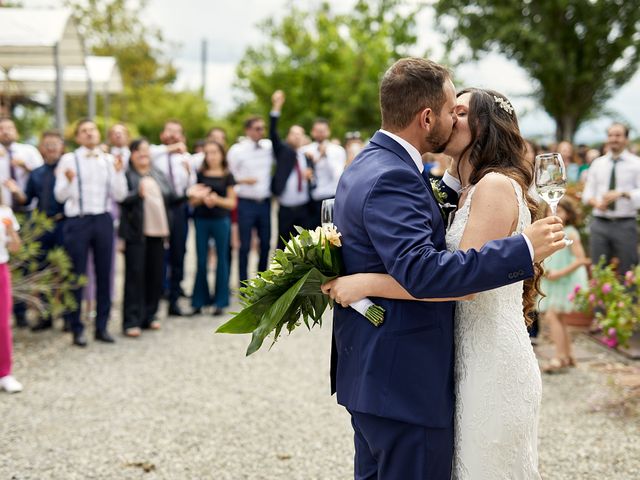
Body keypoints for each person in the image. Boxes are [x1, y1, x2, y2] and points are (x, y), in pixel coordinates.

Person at [320, 58, 565, 480]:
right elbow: (427, 270)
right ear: (427, 116)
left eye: (463, 112)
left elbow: (433, 261)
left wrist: (362, 281)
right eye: (454, 108)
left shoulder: (372, 165)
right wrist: (522, 249)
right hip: (404, 381)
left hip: (431, 367)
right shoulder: (397, 176)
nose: (454, 118)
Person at [54, 119, 127, 347]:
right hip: (78, 220)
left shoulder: (107, 160)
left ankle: (102, 326)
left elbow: (121, 194)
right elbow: (60, 196)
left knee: (105, 273)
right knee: (77, 274)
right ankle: (76, 327)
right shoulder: (69, 159)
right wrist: (67, 182)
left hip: (103, 219)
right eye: (84, 131)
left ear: (98, 134)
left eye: (92, 130)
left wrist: (118, 173)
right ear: (77, 137)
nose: (89, 134)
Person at [9, 131, 67, 332]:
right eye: (47, 144)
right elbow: (27, 199)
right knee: (43, 271)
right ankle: (46, 315)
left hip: (64, 224)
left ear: (62, 147)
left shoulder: (67, 169)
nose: (51, 148)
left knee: (65, 270)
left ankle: (68, 316)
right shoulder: (37, 173)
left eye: (55, 144)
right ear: (42, 148)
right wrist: (16, 191)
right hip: (43, 226)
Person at [119, 139, 176, 337]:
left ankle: (150, 315)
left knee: (155, 275)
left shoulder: (157, 173)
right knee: (135, 276)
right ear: (131, 154)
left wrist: (189, 194)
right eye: (138, 151)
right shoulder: (126, 175)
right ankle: (131, 320)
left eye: (146, 150)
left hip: (159, 232)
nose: (143, 154)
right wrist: (137, 194)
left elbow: (171, 196)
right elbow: (120, 198)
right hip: (137, 233)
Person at [1, 117, 44, 328]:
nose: (6, 132)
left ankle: (22, 312)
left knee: (26, 263)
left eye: (9, 128)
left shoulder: (28, 152)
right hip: (3, 215)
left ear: (16, 131)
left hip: (27, 213)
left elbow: (42, 177)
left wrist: (25, 167)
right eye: (1, 129)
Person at [538, 197, 590, 372]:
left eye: (559, 211)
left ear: (567, 214)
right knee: (558, 318)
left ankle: (559, 357)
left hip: (565, 280)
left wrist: (559, 273)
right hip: (553, 280)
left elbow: (581, 259)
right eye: (550, 210)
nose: (553, 214)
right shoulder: (547, 232)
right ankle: (568, 355)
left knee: (553, 317)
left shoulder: (570, 232)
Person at [582, 122, 640, 275]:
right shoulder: (597, 164)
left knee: (629, 271)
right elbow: (587, 194)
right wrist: (596, 203)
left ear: (626, 139)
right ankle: (598, 300)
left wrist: (622, 194)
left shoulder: (636, 164)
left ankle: (630, 300)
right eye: (611, 135)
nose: (614, 139)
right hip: (600, 223)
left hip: (626, 224)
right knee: (598, 270)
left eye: (618, 135)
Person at [150, 120, 193, 316]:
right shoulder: (155, 152)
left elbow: (190, 185)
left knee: (179, 252)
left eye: (178, 132)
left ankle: (174, 299)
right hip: (159, 208)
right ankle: (156, 296)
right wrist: (171, 147)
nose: (174, 135)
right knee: (158, 252)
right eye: (170, 131)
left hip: (179, 207)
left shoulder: (185, 157)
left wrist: (189, 172)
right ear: (162, 134)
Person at [189, 141, 236, 316]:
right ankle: (199, 300)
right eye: (208, 153)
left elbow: (231, 203)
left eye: (215, 152)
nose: (211, 156)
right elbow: (192, 200)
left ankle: (220, 301)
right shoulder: (200, 174)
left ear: (221, 154)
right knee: (201, 260)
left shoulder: (227, 175)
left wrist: (216, 200)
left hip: (220, 220)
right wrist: (203, 199)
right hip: (201, 220)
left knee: (222, 260)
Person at [227, 116, 273, 284]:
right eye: (257, 128)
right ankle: (243, 282)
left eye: (263, 128)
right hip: (245, 202)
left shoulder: (268, 146)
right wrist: (243, 180)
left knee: (266, 243)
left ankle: (262, 281)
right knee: (244, 245)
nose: (261, 131)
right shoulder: (237, 150)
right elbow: (228, 176)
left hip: (264, 202)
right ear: (248, 130)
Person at [269, 90, 312, 248]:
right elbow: (273, 132)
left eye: (299, 134)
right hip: (286, 208)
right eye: (293, 134)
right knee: (282, 246)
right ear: (288, 136)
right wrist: (276, 107)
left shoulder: (305, 156)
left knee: (304, 248)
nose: (296, 137)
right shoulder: (283, 151)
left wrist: (309, 175)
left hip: (303, 208)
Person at [301, 118, 346, 227]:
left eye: (323, 130)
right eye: (317, 130)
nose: (320, 133)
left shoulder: (337, 150)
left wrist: (326, 155)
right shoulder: (305, 150)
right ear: (312, 132)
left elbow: (337, 175)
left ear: (328, 131)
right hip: (311, 200)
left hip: (331, 198)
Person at [0, 203, 22, 393]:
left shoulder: (5, 212)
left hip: (1, 269)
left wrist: (10, 231)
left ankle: (5, 373)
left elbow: (16, 247)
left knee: (2, 323)